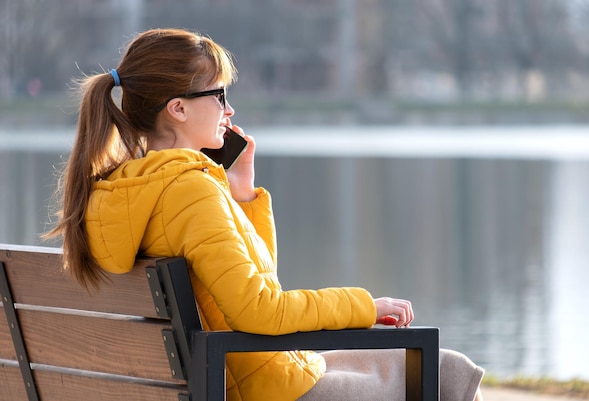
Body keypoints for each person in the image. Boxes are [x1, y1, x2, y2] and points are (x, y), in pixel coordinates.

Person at [47, 28, 483, 401]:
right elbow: (262, 312)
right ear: (177, 108)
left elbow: (257, 286)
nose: (229, 110)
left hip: (233, 374)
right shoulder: (188, 190)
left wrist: (240, 194)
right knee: (447, 370)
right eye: (218, 95)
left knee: (416, 362)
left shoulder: (124, 188)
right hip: (266, 387)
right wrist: (366, 305)